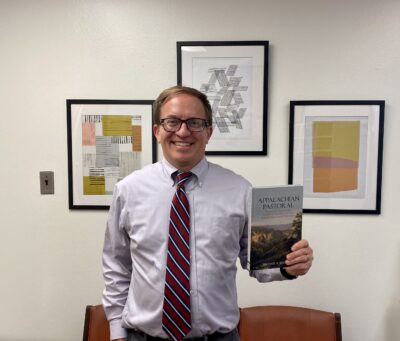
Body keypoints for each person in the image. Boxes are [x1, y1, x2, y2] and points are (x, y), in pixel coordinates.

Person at [102, 85, 314, 341]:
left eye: (195, 122)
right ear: (157, 131)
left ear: (209, 132)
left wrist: (290, 266)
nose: (183, 131)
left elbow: (257, 262)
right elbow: (116, 265)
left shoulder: (240, 190)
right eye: (172, 122)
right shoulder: (128, 190)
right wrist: (117, 332)